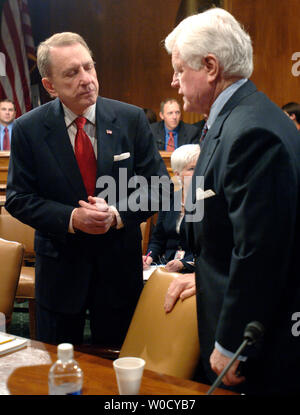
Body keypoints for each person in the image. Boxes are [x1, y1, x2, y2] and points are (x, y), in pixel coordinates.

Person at [163, 8, 300, 395]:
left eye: (178, 69)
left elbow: (260, 250)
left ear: (210, 66)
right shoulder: (233, 119)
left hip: (259, 344)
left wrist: (232, 343)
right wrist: (203, 276)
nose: (173, 82)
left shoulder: (251, 131)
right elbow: (225, 229)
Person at [5, 32, 169, 348]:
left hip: (119, 270)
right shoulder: (28, 129)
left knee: (120, 369)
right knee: (57, 369)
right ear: (50, 85)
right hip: (60, 273)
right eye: (72, 72)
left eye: (88, 67)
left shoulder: (131, 119)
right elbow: (18, 198)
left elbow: (159, 188)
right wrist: (72, 218)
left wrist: (116, 215)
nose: (86, 80)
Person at [143, 144, 200, 272]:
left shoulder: (208, 201)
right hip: (165, 266)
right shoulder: (170, 199)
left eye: (200, 168)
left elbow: (210, 247)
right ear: (178, 174)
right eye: (191, 169)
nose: (198, 173)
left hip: (195, 271)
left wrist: (184, 263)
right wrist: (149, 257)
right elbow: (158, 238)